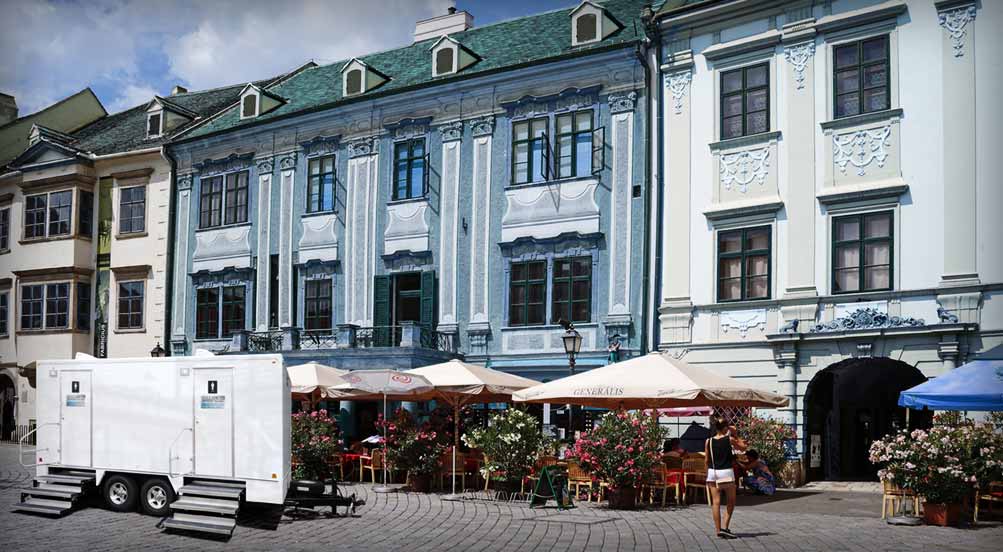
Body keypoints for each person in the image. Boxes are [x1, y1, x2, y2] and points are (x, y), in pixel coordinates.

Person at [705, 416, 746, 539]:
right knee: (731, 501)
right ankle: (725, 526)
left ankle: (718, 530)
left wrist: (707, 473)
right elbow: (743, 448)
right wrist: (736, 434)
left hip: (713, 473)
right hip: (726, 473)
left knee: (715, 502)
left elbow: (707, 460)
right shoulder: (730, 439)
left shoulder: (708, 441)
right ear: (724, 428)